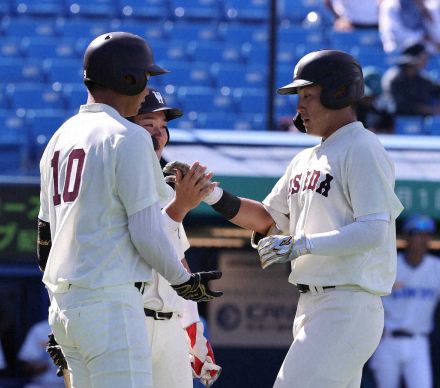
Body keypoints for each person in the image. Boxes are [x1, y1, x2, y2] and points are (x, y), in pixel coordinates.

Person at [175, 49, 404, 387]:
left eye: (308, 95)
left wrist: (302, 244)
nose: (300, 106)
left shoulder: (363, 147)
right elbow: (268, 218)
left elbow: (373, 230)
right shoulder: (305, 158)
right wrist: (211, 194)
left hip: (348, 302)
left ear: (339, 92)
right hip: (314, 303)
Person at [37, 31, 222, 388]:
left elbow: (44, 241)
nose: (145, 88)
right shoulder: (128, 136)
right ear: (129, 78)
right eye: (145, 77)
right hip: (110, 306)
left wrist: (58, 313)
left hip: (65, 307)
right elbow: (146, 231)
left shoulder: (58, 139)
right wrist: (184, 282)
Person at [130, 89, 222, 388]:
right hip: (129, 322)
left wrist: (193, 326)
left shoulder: (166, 187)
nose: (158, 136)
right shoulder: (114, 177)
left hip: (168, 323)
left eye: (162, 128)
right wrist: (180, 207)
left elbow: (177, 260)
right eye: (148, 126)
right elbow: (143, 242)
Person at [370, 214, 440, 388]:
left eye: (426, 235)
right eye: (417, 234)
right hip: (387, 339)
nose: (422, 240)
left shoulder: (436, 267)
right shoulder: (390, 264)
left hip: (418, 340)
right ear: (407, 237)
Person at [382, 42, 440, 117]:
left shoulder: (421, 78)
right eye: (422, 58)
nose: (426, 61)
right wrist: (424, 109)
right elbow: (397, 105)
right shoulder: (394, 78)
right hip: (393, 122)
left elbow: (437, 90)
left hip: (420, 122)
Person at [18, 320, 64, 388]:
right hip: (41, 384)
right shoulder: (40, 329)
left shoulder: (81, 329)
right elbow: (26, 366)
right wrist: (36, 367)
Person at [356, 66, 395, 134]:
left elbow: (390, 130)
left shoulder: (382, 110)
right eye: (367, 96)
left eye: (373, 96)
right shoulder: (350, 110)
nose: (369, 99)